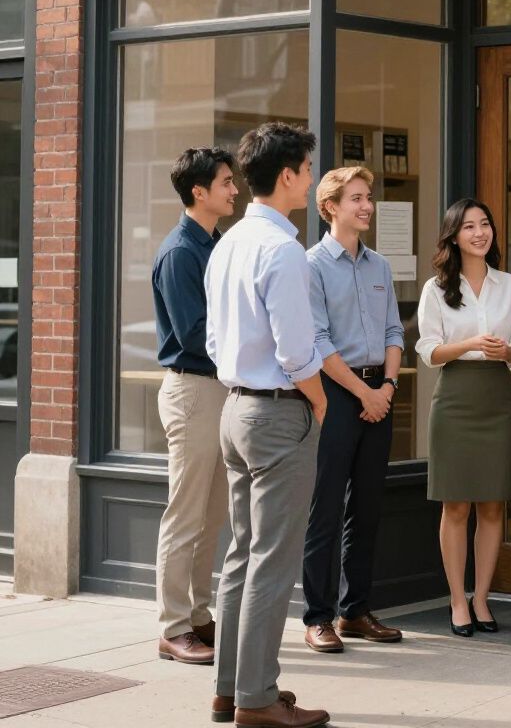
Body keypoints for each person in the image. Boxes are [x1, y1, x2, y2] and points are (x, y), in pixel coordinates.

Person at [204, 122, 330, 728]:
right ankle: (257, 699)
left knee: (242, 555)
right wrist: (320, 401)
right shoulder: (282, 249)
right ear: (287, 176)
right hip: (278, 413)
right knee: (272, 562)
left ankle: (231, 691)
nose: (310, 180)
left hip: (235, 408)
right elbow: (297, 350)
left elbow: (211, 338)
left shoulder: (227, 242)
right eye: (307, 171)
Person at [416, 198, 511, 637]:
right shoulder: (435, 289)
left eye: (485, 225)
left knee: (492, 501)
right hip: (456, 398)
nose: (480, 233)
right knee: (456, 503)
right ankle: (457, 599)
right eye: (469, 227)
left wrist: (509, 351)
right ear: (454, 236)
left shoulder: (510, 286)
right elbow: (428, 351)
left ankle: (482, 597)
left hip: (497, 395)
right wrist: (467, 345)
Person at [302, 167, 405, 652]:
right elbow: (317, 341)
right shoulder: (312, 265)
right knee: (326, 509)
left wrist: (385, 386)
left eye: (369, 198)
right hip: (337, 396)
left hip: (378, 395)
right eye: (357, 198)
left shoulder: (380, 266)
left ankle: (355, 611)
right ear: (331, 207)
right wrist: (363, 395)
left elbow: (394, 333)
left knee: (366, 509)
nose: (367, 206)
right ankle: (317, 616)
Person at [152, 147, 238, 665]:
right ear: (199, 192)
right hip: (194, 391)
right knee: (184, 516)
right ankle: (171, 626)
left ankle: (200, 616)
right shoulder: (182, 252)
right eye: (226, 182)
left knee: (211, 516)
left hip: (220, 390)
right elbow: (197, 333)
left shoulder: (217, 243)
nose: (234, 189)